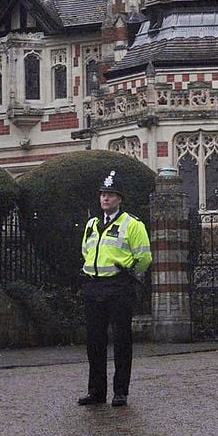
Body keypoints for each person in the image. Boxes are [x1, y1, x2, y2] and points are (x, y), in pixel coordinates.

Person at [77, 170, 152, 407]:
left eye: (110, 194)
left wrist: (128, 271)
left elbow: (144, 258)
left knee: (121, 341)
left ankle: (120, 392)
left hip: (119, 286)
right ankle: (96, 392)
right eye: (103, 194)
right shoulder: (92, 224)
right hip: (94, 287)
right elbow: (85, 251)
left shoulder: (132, 224)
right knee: (94, 342)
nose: (105, 199)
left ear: (120, 198)